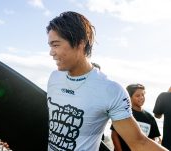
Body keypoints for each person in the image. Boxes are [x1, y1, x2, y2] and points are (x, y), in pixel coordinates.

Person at [46, 11, 167, 151]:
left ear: (80, 43)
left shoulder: (110, 90)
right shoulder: (54, 78)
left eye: (55, 45)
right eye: (50, 46)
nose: (51, 52)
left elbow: (139, 143)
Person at [110, 84, 161, 151]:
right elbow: (114, 135)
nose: (141, 97)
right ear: (129, 97)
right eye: (137, 95)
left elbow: (152, 139)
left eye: (143, 95)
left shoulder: (149, 117)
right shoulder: (124, 114)